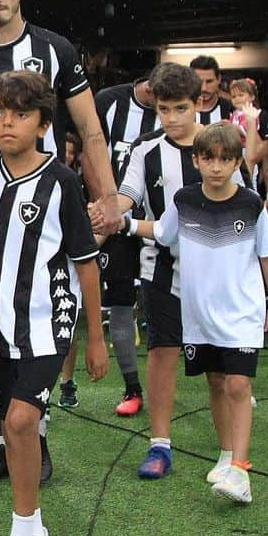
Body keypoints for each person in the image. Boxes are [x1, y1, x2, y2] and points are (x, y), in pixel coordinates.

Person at [0, 0, 121, 486]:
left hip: (40, 210)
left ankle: (33, 438)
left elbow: (89, 128)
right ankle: (7, 440)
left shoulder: (54, 48)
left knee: (37, 319)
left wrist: (109, 195)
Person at [0, 71, 107, 536]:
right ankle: (36, 530)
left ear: (44, 124)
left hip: (50, 322)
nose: (7, 122)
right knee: (8, 428)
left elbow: (86, 262)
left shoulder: (61, 181)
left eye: (21, 114)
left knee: (23, 422)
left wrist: (95, 337)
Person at [125, 121, 268, 504]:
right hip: (200, 316)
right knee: (215, 381)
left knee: (238, 384)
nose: (216, 166)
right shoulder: (184, 200)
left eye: (225, 159)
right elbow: (162, 232)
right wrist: (122, 223)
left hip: (241, 312)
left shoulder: (250, 203)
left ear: (236, 163)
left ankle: (241, 472)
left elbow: (267, 253)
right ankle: (227, 454)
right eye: (208, 158)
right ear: (196, 161)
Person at [109, 63, 243, 479]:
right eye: (164, 109)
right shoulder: (145, 149)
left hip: (215, 275)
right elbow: (126, 197)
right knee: (163, 354)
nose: (172, 118)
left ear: (199, 103)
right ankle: (160, 445)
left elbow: (246, 203)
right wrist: (107, 213)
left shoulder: (220, 144)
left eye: (180, 108)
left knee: (218, 370)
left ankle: (228, 456)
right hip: (161, 270)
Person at [87, 68, 165, 415]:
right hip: (119, 221)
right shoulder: (108, 102)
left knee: (170, 306)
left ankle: (221, 378)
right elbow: (89, 150)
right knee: (120, 303)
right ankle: (133, 388)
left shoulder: (177, 124)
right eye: (160, 99)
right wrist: (104, 211)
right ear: (146, 85)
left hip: (161, 225)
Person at [189, 55, 234, 125]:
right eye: (199, 82)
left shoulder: (231, 108)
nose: (204, 88)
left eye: (209, 81)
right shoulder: (183, 110)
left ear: (218, 79)